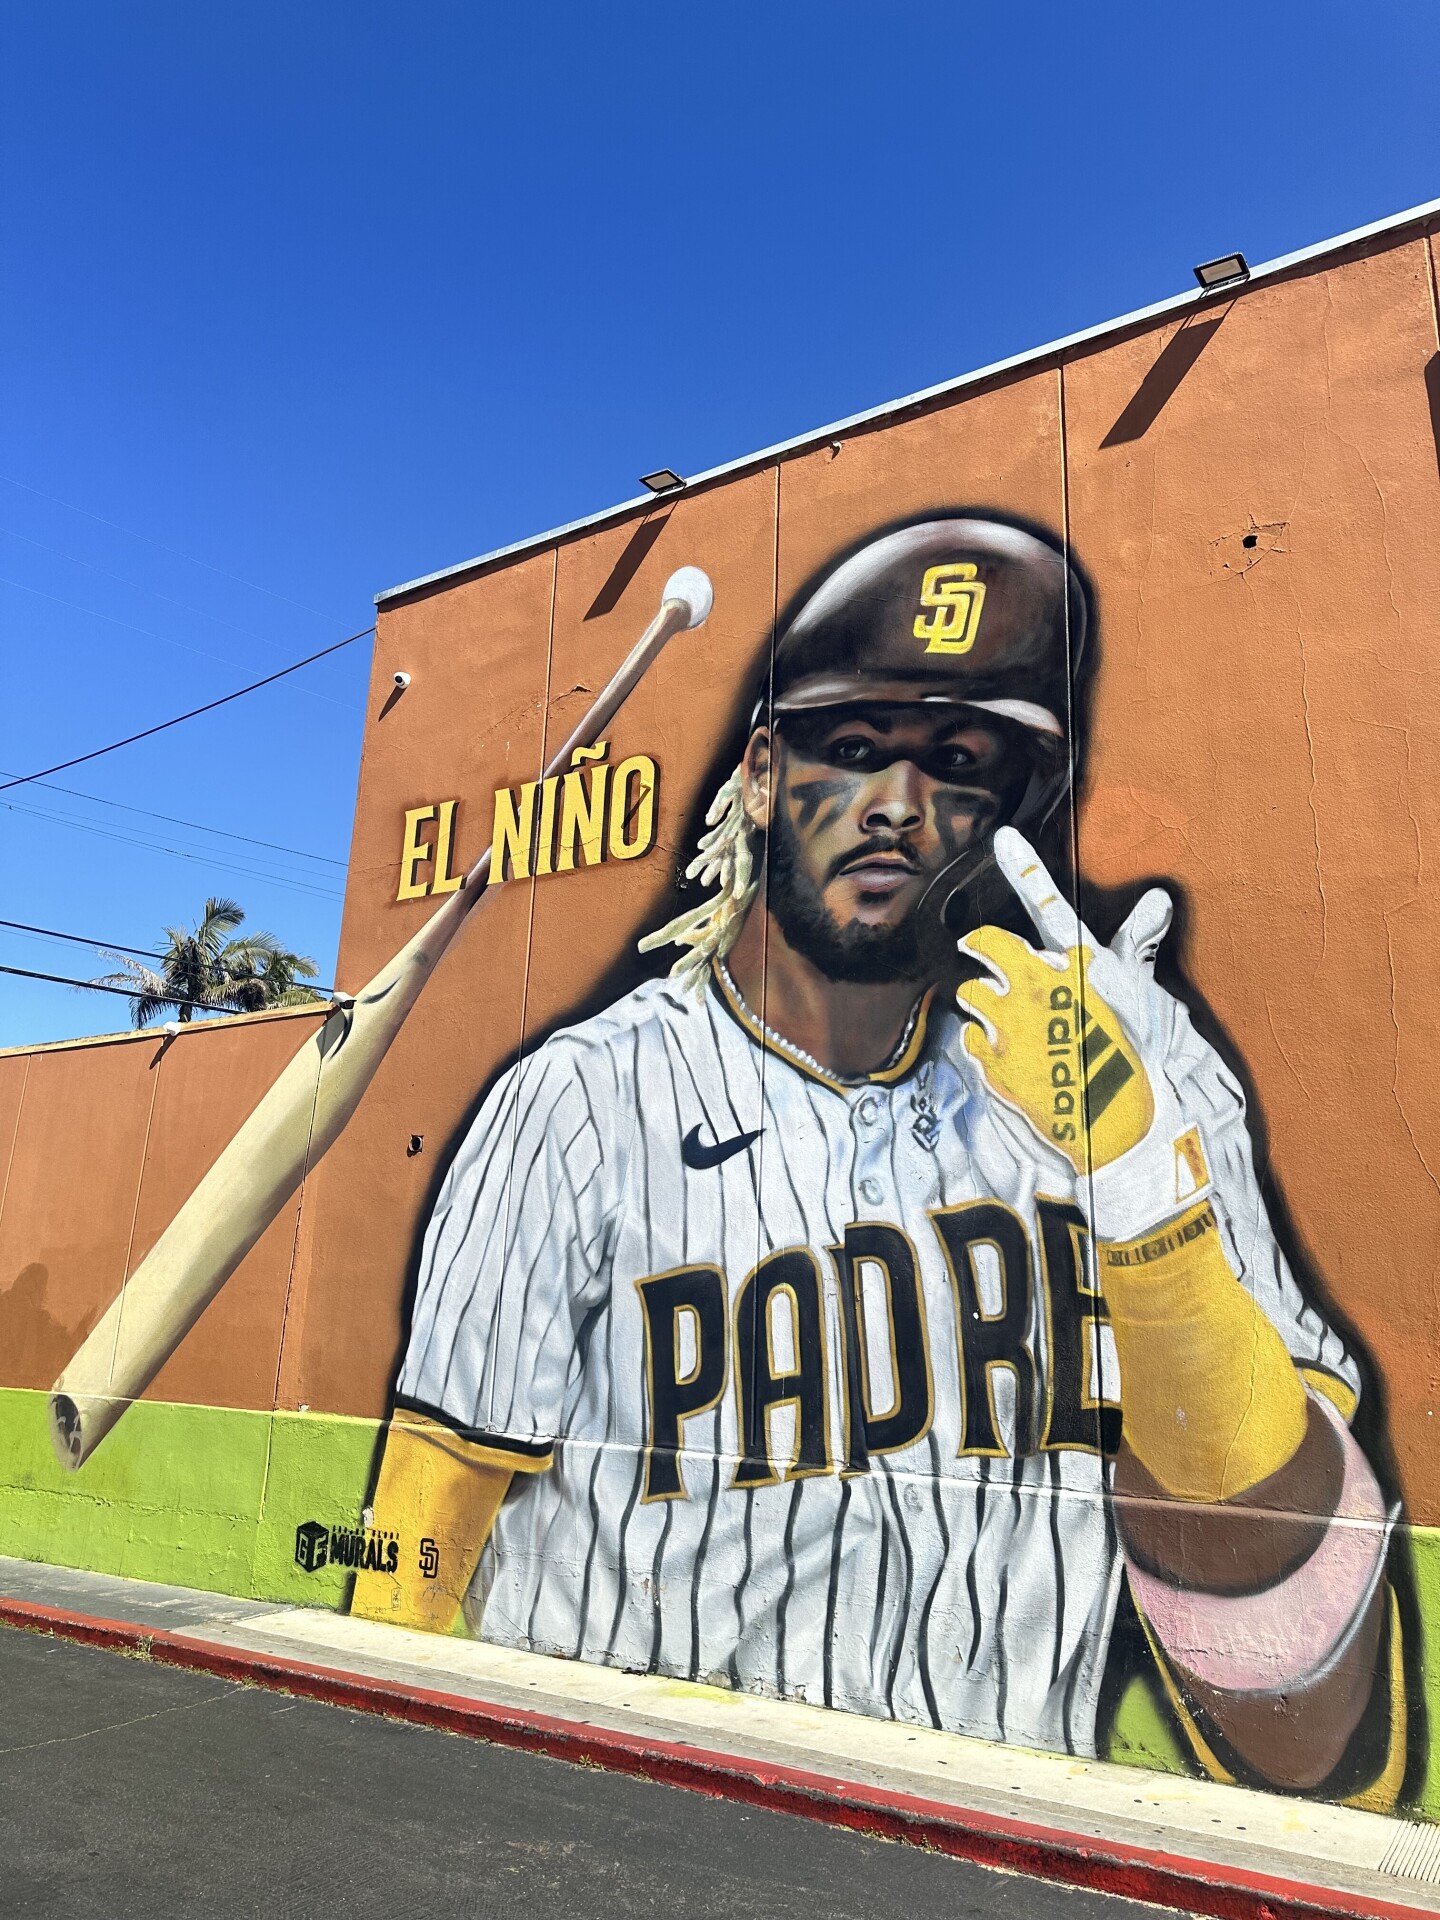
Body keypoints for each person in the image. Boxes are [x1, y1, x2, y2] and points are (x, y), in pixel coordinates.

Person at [354, 515, 1401, 1801]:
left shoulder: (1135, 1078)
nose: (900, 807)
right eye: (851, 751)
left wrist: (1141, 1194)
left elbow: (1308, 1730)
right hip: (622, 1846)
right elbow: (411, 1554)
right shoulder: (577, 1105)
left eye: (959, 764)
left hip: (1004, 1859)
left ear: (1009, 810)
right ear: (756, 771)